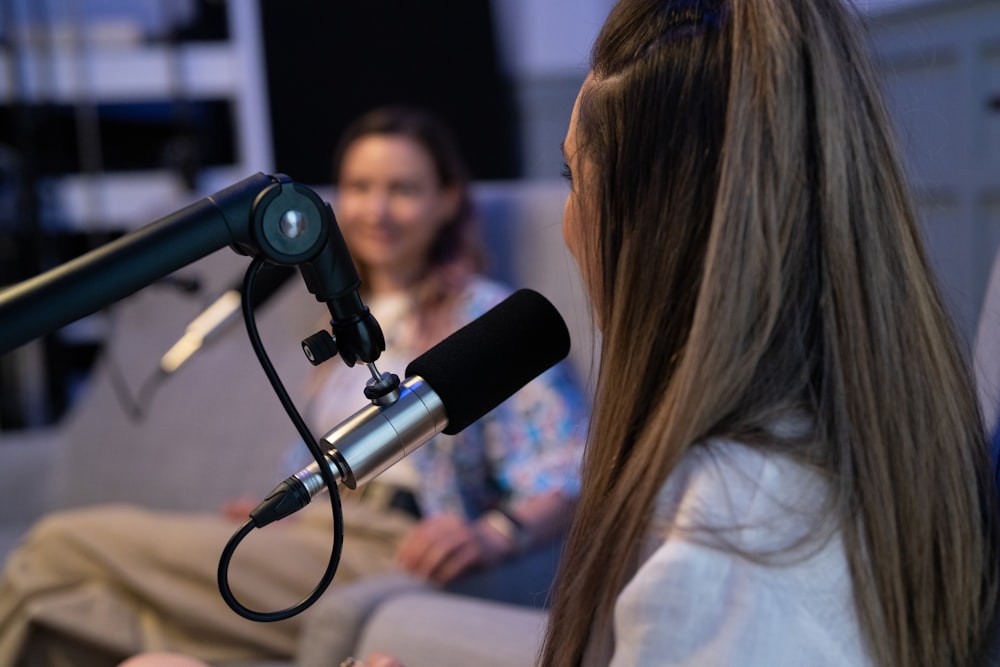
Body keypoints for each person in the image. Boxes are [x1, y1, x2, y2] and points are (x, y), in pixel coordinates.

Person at [84, 1, 1000, 666]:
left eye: (575, 181)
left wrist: (487, 532)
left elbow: (559, 474)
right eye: (358, 187)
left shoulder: (726, 558)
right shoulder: (848, 460)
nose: (567, 226)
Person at [0, 106, 588, 666]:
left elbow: (569, 463)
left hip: (385, 543)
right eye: (360, 187)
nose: (377, 209)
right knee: (59, 607)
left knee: (55, 547)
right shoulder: (336, 320)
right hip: (312, 527)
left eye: (403, 189)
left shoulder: (488, 321)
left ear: (447, 199)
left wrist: (496, 533)